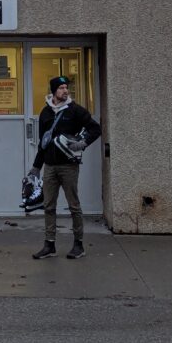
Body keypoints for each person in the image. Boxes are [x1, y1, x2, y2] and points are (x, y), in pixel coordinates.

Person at [29, 74, 101, 260]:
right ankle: (49, 245)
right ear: (53, 91)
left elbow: (95, 128)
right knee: (48, 206)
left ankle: (78, 245)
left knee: (73, 206)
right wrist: (36, 167)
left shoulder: (75, 110)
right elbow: (43, 143)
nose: (65, 90)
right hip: (50, 167)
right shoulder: (45, 113)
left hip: (69, 166)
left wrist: (83, 143)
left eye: (66, 87)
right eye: (61, 88)